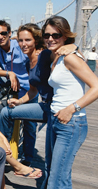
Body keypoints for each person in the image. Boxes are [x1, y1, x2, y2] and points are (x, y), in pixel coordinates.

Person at [41, 16, 98, 189]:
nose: (50, 39)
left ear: (65, 36)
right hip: (55, 119)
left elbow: (96, 87)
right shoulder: (57, 56)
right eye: (46, 35)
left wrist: (72, 108)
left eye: (56, 35)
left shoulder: (70, 57)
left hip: (71, 123)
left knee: (57, 181)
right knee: (55, 173)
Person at [0, 20, 37, 166]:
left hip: (27, 86)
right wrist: (9, 73)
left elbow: (35, 58)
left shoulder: (20, 45)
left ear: (10, 33)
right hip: (7, 80)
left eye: (3, 33)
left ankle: (28, 158)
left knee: (30, 125)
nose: (0, 36)